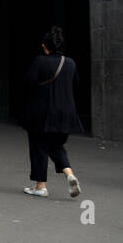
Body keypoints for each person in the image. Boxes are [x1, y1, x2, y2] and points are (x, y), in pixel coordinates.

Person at [22, 25, 85, 198]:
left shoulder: (39, 61)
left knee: (39, 147)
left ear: (44, 45)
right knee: (56, 146)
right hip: (66, 114)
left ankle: (41, 186)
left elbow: (28, 82)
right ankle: (70, 174)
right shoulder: (71, 63)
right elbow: (76, 85)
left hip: (42, 113)